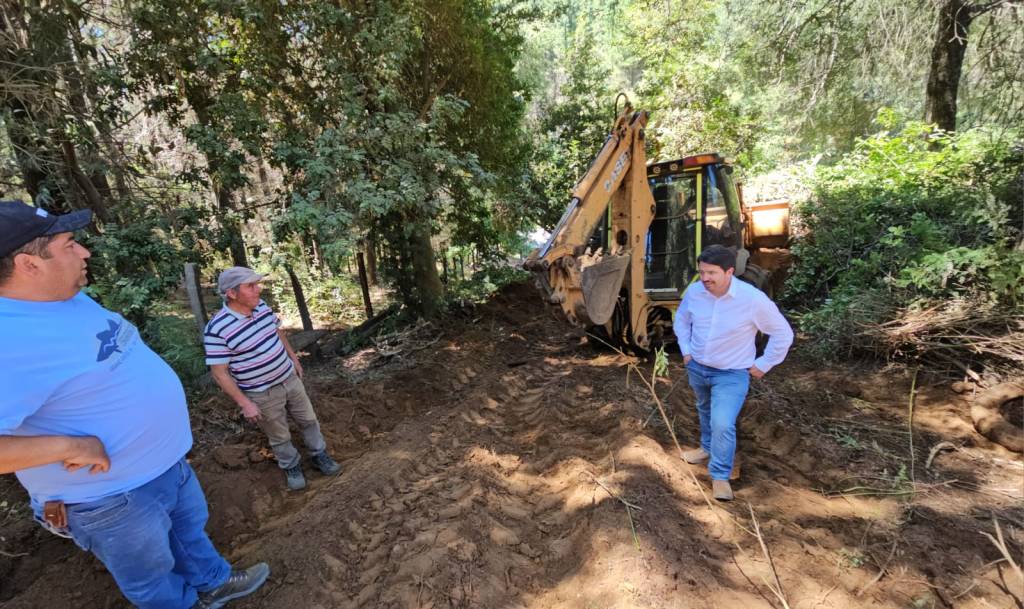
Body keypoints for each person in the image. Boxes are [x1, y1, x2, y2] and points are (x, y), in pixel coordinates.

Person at [0, 200, 269, 609]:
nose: (84, 252)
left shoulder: (66, 298)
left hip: (164, 467)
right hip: (109, 498)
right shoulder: (8, 340)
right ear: (28, 264)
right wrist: (69, 447)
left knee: (189, 533)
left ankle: (213, 581)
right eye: (69, 244)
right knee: (151, 575)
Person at [673, 244, 793, 501]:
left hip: (731, 374)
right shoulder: (695, 292)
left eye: (711, 273)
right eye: (702, 272)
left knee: (723, 422)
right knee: (704, 409)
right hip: (698, 367)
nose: (705, 278)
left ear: (729, 272)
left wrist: (764, 364)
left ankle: (719, 475)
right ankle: (706, 448)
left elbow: (783, 333)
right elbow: (681, 319)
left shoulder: (752, 299)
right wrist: (686, 350)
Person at [204, 267, 341, 491]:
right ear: (232, 293)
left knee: (308, 420)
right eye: (251, 286)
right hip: (261, 392)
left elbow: (278, 332)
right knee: (279, 435)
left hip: (288, 378)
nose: (258, 289)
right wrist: (245, 403)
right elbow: (219, 373)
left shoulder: (261, 307)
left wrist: (293, 358)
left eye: (257, 284)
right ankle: (292, 466)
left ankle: (319, 455)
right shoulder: (217, 329)